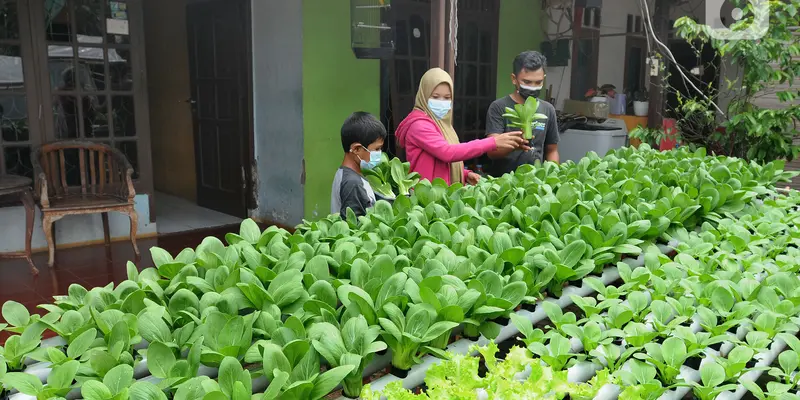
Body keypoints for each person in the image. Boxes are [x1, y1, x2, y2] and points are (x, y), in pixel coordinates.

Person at [395, 68, 526, 186]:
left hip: (441, 193)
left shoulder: (441, 123)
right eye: (435, 97)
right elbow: (447, 152)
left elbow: (439, 162)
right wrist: (492, 142)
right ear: (424, 95)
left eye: (447, 97)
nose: (442, 102)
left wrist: (464, 174)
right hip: (426, 197)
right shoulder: (419, 125)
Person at [485, 50, 560, 177]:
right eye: (527, 82)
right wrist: (514, 145)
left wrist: (553, 176)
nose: (533, 87)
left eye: (538, 82)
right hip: (503, 181)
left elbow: (552, 150)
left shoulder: (548, 109)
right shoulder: (498, 107)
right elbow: (491, 151)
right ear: (514, 79)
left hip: (536, 181)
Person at [330, 111, 387, 219]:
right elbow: (355, 228)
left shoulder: (345, 174)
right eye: (377, 149)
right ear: (357, 149)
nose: (379, 153)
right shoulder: (353, 183)